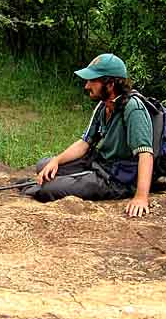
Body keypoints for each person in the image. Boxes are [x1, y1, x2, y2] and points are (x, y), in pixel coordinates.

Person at [22, 53, 154, 218]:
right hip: (99, 162)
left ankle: (60, 184)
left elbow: (145, 154)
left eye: (92, 81)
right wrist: (56, 160)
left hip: (117, 178)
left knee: (48, 189)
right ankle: (64, 176)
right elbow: (84, 143)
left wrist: (141, 197)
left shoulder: (133, 109)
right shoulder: (103, 106)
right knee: (44, 165)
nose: (86, 86)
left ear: (110, 84)